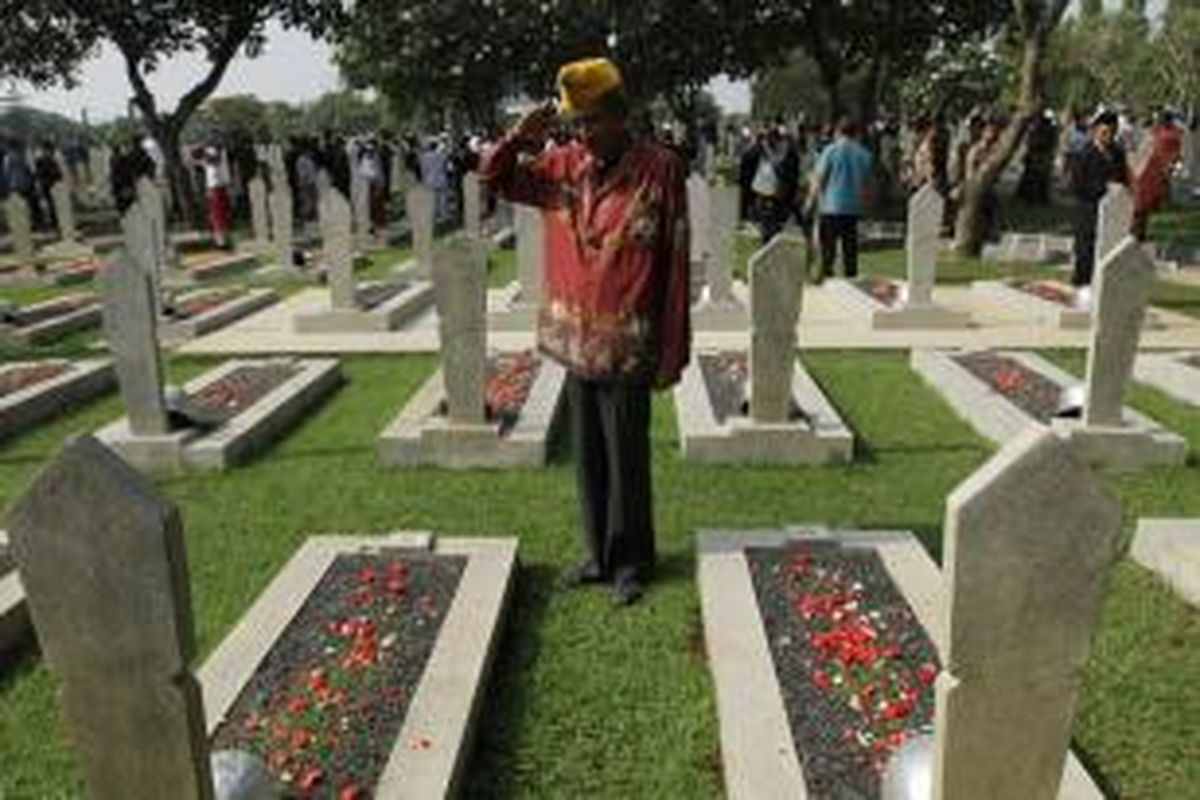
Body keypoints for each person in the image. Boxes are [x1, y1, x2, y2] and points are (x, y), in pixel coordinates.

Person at [481, 58, 690, 606]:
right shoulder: (559, 166)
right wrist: (517, 139)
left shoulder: (661, 170)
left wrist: (674, 345)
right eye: (577, 124)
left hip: (628, 340)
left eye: (593, 121)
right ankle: (599, 554)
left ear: (621, 116)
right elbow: (495, 181)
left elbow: (675, 260)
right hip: (574, 338)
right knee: (589, 455)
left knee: (626, 454)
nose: (584, 133)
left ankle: (631, 560)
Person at [1070, 110, 1130, 303]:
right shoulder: (1084, 154)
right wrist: (1103, 187)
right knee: (1085, 251)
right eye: (1104, 132)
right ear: (1095, 131)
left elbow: (1123, 179)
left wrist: (1120, 189)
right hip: (1088, 209)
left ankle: (1105, 291)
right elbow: (1077, 185)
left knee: (1107, 252)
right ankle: (1082, 289)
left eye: (1111, 133)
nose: (1108, 137)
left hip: (1112, 212)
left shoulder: (1118, 154)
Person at [813, 118, 874, 281]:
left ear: (838, 132)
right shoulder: (864, 154)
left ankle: (826, 276)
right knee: (850, 250)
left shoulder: (830, 150)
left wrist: (814, 200)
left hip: (830, 205)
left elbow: (821, 179)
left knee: (828, 249)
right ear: (856, 133)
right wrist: (867, 203)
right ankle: (851, 278)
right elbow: (867, 184)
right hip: (852, 206)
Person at [1132, 110, 1183, 241]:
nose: (1162, 121)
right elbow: (1149, 147)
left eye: (1163, 119)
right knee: (1144, 200)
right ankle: (1138, 229)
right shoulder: (1159, 130)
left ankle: (1141, 230)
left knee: (1151, 202)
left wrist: (1172, 166)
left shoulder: (1172, 133)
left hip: (1159, 170)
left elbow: (1176, 153)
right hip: (1151, 167)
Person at [202, 146, 232, 249]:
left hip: (217, 189)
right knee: (217, 217)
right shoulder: (213, 166)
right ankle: (221, 240)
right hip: (216, 189)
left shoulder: (216, 166)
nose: (207, 159)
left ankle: (222, 241)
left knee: (219, 216)